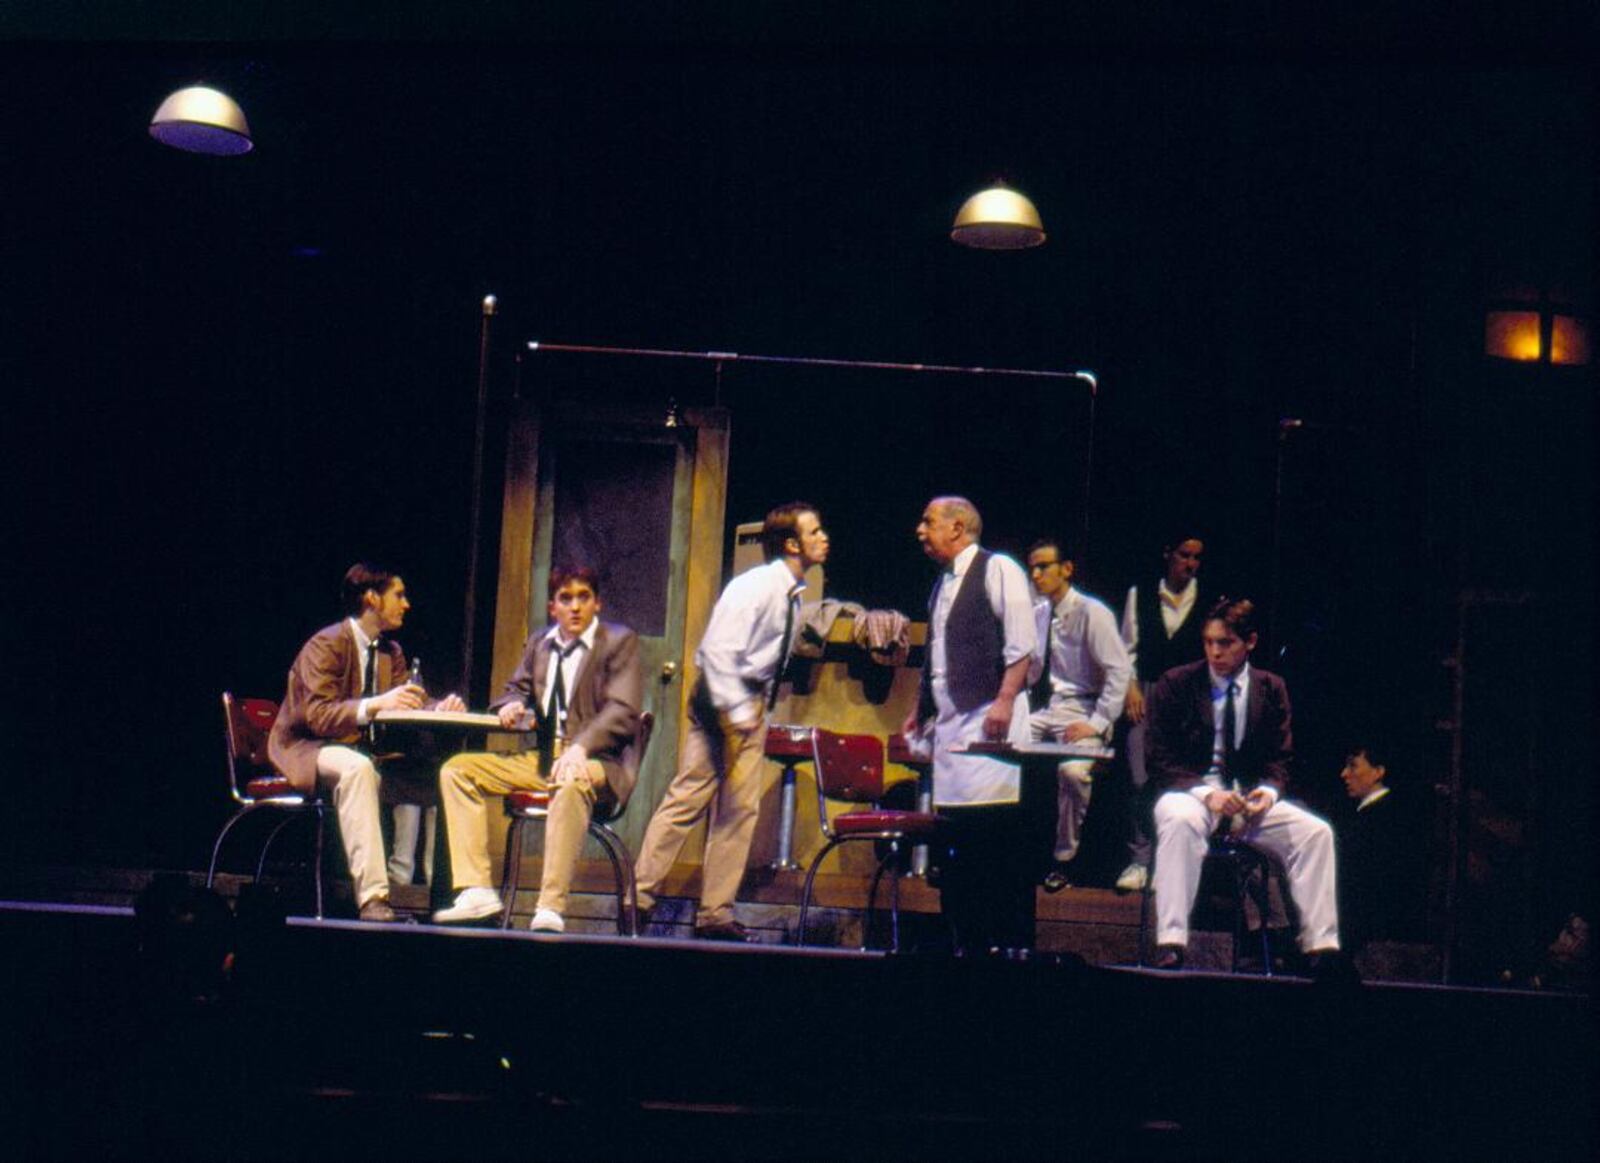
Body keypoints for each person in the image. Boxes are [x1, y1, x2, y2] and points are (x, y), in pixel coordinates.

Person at [632, 502, 830, 941]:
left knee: (739, 809)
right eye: (814, 532)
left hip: (748, 700)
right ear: (792, 544)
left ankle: (714, 913)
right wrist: (738, 711)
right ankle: (640, 899)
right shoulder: (756, 587)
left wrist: (760, 707)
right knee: (691, 797)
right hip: (723, 697)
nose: (824, 538)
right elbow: (718, 650)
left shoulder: (794, 594)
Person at [433, 565, 642, 932]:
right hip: (544, 758)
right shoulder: (540, 644)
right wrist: (510, 705)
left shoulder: (618, 641)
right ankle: (477, 888)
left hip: (599, 761)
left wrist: (580, 748)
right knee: (457, 769)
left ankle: (550, 905)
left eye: (583, 597)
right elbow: (515, 689)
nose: (575, 607)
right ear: (552, 607)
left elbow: (623, 711)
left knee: (570, 779)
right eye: (566, 598)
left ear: (597, 604)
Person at [1146, 598, 1339, 970]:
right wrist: (1209, 795)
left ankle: (1321, 947)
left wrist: (1266, 794)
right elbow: (1159, 759)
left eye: (1225, 643)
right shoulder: (1177, 683)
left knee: (1317, 833)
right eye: (1209, 642)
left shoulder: (1271, 687)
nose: (1214, 652)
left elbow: (1280, 759)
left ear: (1250, 642)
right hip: (1192, 793)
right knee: (1178, 818)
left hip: (1246, 801)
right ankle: (1172, 941)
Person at [267, 563, 465, 922]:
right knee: (356, 768)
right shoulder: (326, 644)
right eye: (398, 595)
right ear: (372, 598)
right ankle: (373, 898)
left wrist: (440, 705)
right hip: (307, 748)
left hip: (362, 751)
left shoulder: (391, 652)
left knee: (448, 776)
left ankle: (449, 900)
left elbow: (411, 698)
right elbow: (317, 716)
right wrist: (375, 705)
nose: (406, 604)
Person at [902, 496, 1038, 954]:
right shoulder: (942, 584)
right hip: (953, 724)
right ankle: (964, 942)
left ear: (958, 528)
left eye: (928, 522)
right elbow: (938, 657)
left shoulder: (999, 569)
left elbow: (1022, 644)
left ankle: (999, 943)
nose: (920, 530)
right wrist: (921, 710)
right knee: (955, 837)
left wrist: (1004, 699)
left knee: (990, 836)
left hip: (989, 719)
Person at [1025, 538, 1131, 892]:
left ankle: (1064, 859)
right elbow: (1032, 667)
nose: (1036, 575)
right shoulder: (1040, 613)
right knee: (1002, 742)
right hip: (1052, 707)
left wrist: (1097, 723)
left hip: (1088, 708)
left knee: (1071, 772)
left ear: (1066, 569)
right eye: (1033, 568)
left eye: (1043, 567)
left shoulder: (1092, 612)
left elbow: (1118, 672)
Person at [1115, 533, 1208, 892]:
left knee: (1178, 784)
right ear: (1168, 553)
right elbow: (1125, 649)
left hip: (1187, 698)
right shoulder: (1141, 594)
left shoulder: (1206, 597)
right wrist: (1131, 687)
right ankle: (1139, 860)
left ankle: (1168, 866)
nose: (1190, 564)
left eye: (1197, 558)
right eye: (1184, 555)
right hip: (1148, 692)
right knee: (1140, 779)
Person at [1336, 743, 1424, 951]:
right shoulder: (1367, 815)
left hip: (1371, 936)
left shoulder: (1383, 819)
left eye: (1353, 766)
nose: (1344, 774)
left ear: (1378, 772)